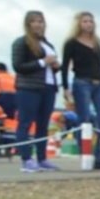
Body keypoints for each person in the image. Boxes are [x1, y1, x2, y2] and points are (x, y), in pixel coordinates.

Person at [10, 11, 61, 172]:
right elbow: (18, 66)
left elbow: (50, 68)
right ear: (28, 24)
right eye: (34, 21)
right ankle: (26, 159)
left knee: (43, 125)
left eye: (41, 21)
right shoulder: (21, 43)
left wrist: (55, 66)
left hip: (49, 87)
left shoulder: (48, 44)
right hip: (29, 88)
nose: (38, 24)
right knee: (25, 123)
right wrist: (42, 62)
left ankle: (42, 158)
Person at [61, 11, 100, 170]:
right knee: (84, 121)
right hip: (82, 82)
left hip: (99, 83)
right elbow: (65, 65)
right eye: (85, 21)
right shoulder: (71, 43)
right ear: (78, 24)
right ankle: (85, 154)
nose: (88, 24)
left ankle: (99, 157)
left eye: (90, 21)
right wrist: (65, 87)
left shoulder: (98, 42)